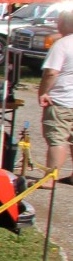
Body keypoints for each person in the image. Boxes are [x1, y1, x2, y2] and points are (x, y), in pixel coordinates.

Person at [38, 10, 73, 184]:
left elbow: (51, 72)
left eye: (60, 21)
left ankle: (50, 179)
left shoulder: (62, 44)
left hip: (62, 99)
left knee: (57, 138)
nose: (57, 24)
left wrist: (43, 92)